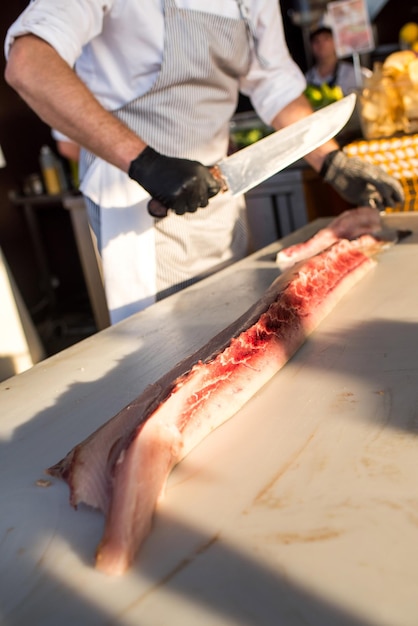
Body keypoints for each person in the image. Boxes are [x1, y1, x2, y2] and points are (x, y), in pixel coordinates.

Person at [4, 1, 403, 324]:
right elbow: (30, 61)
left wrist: (331, 162)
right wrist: (144, 161)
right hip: (139, 207)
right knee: (159, 357)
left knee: (237, 331)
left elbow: (275, 86)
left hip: (217, 195)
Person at [305, 25, 372, 96]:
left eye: (326, 39)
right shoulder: (305, 80)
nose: (321, 44)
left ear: (336, 42)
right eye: (316, 40)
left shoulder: (358, 75)